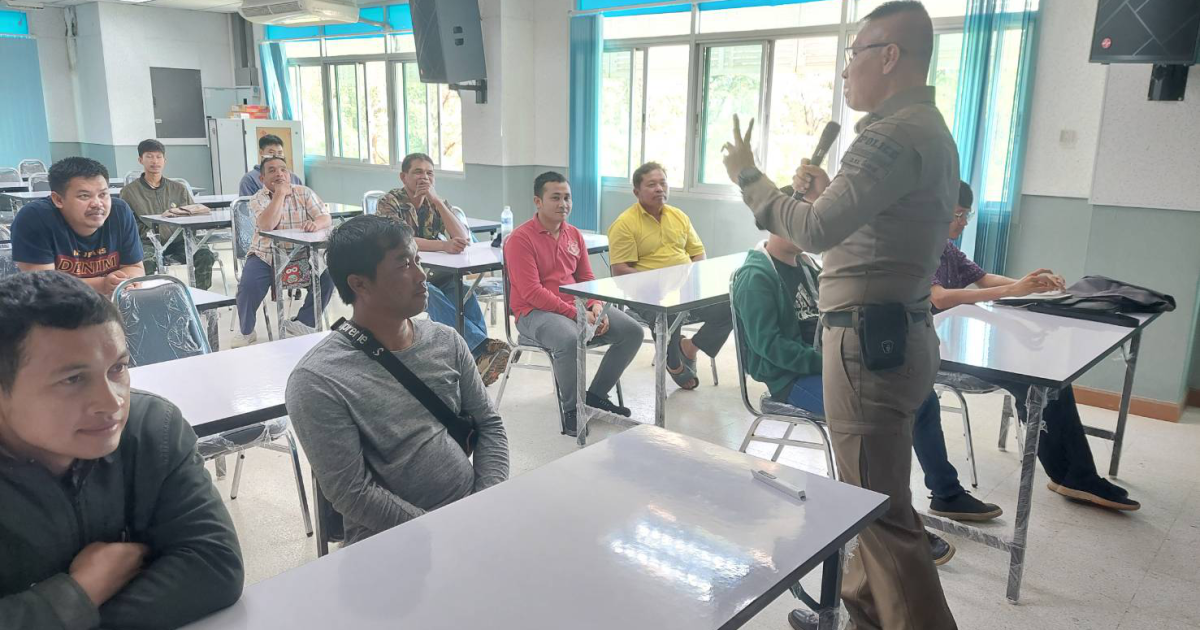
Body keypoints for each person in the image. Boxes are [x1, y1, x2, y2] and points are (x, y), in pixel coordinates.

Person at [723, 2, 960, 628]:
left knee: (878, 511)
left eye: (855, 53)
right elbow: (871, 234)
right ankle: (861, 615)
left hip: (868, 344)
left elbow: (815, 230)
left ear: (889, 56)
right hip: (897, 333)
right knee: (871, 497)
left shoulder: (888, 134)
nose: (847, 69)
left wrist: (749, 177)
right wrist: (831, 191)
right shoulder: (927, 127)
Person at [0, 271, 244, 629]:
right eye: (72, 379)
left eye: (118, 368)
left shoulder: (153, 429)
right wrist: (80, 592)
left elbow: (214, 566)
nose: (112, 401)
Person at [285, 215, 510, 545]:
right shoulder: (318, 380)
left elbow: (489, 425)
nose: (422, 275)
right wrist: (442, 532)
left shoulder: (446, 341)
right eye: (404, 264)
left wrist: (485, 500)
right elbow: (352, 493)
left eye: (417, 259)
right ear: (359, 284)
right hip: (391, 542)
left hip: (471, 518)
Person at [932, 181, 1140, 511]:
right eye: (958, 215)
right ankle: (1073, 475)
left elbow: (983, 278)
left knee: (1050, 375)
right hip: (939, 357)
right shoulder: (918, 247)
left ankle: (1075, 474)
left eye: (966, 215)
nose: (963, 223)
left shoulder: (947, 247)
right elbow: (940, 298)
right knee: (1036, 382)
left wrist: (1030, 286)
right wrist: (1011, 290)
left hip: (959, 343)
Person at [506, 172, 644, 436]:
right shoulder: (520, 239)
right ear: (538, 201)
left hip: (575, 307)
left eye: (567, 198)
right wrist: (576, 314)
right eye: (555, 198)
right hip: (534, 312)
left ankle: (595, 395)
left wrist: (595, 305)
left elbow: (586, 278)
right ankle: (573, 408)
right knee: (570, 339)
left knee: (632, 331)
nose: (563, 204)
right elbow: (532, 292)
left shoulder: (574, 234)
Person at [376, 152, 511, 385]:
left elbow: (462, 236)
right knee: (428, 292)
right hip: (398, 276)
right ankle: (480, 350)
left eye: (429, 173)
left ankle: (479, 359)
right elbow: (401, 240)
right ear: (403, 177)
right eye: (417, 172)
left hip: (435, 273)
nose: (424, 178)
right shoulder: (389, 202)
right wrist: (443, 245)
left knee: (464, 292)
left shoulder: (436, 201)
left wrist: (437, 201)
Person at [607, 161, 733, 391]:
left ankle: (689, 348)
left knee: (731, 304)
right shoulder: (625, 223)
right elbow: (620, 271)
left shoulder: (679, 216)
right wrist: (658, 284)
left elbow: (698, 253)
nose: (659, 189)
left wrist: (694, 280)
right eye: (651, 185)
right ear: (636, 192)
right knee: (667, 309)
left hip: (685, 288)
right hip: (646, 293)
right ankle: (673, 361)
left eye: (663, 183)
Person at [233, 156, 333, 348]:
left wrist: (316, 224)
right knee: (248, 286)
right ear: (262, 179)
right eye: (272, 170)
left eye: (283, 169)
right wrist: (279, 194)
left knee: (333, 272)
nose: (279, 173)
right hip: (266, 255)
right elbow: (267, 225)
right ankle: (246, 331)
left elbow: (325, 217)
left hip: (304, 255)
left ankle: (304, 322)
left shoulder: (304, 192)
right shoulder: (258, 198)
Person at [11, 157, 145, 296]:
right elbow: (43, 287)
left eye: (103, 194)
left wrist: (128, 281)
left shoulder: (119, 212)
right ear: (58, 199)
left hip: (108, 304)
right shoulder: (35, 218)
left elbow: (135, 267)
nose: (97, 203)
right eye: (84, 196)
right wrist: (102, 285)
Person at [119, 139, 217, 289]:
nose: (155, 161)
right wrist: (151, 233)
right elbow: (128, 223)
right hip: (148, 242)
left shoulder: (179, 188)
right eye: (149, 156)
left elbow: (193, 215)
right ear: (140, 160)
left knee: (205, 255)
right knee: (146, 262)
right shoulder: (129, 191)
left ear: (164, 160)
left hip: (180, 240)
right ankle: (149, 299)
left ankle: (201, 299)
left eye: (159, 157)